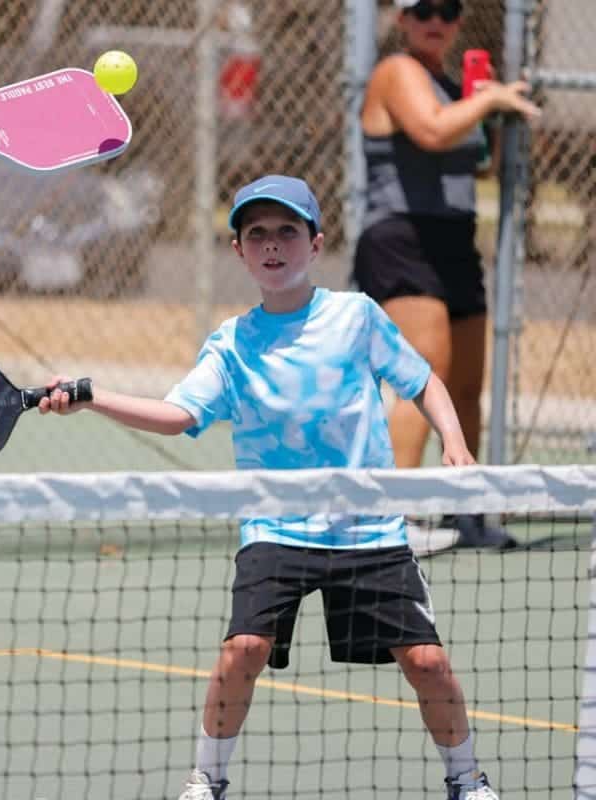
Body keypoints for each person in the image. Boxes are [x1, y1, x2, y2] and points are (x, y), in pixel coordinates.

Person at [38, 175, 500, 800]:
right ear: (239, 251)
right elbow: (178, 416)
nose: (273, 245)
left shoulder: (356, 316)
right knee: (243, 650)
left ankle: (467, 781)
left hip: (368, 527)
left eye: (287, 232)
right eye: (257, 234)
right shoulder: (230, 345)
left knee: (428, 664)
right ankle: (208, 778)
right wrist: (90, 396)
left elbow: (421, 380)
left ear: (315, 243)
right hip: (275, 527)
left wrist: (453, 439)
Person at [353, 0, 539, 551]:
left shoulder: (456, 85)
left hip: (454, 239)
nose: (437, 20)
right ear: (403, 20)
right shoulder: (397, 73)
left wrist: (493, 113)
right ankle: (394, 518)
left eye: (448, 10)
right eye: (424, 10)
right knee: (421, 373)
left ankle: (465, 514)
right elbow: (433, 132)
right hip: (400, 238)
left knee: (464, 387)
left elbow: (475, 160)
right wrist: (488, 100)